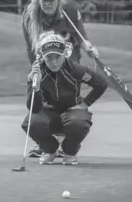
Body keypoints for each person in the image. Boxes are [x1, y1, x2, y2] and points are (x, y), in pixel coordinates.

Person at [22, 0, 100, 157]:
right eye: (44, 0)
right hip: (44, 60)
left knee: (66, 99)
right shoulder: (29, 16)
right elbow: (31, 48)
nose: (48, 3)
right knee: (46, 102)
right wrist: (35, 72)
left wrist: (90, 50)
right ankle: (47, 142)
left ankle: (63, 142)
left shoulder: (70, 10)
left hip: (69, 60)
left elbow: (81, 38)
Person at [21, 31, 107, 165]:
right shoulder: (37, 72)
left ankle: (69, 152)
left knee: (78, 123)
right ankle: (49, 150)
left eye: (57, 57)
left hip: (72, 111)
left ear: (64, 54)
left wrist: (85, 104)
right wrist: (35, 88)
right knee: (31, 123)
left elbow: (101, 83)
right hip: (49, 112)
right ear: (43, 56)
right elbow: (34, 107)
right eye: (49, 58)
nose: (54, 62)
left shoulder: (75, 69)